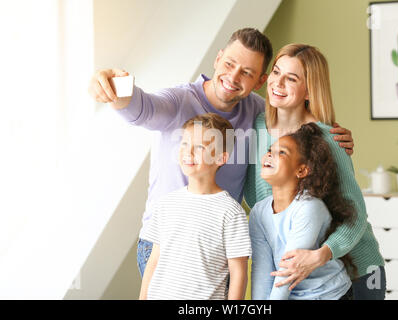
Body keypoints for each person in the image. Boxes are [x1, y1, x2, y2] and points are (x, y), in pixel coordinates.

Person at [88, 28, 355, 278]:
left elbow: (295, 121)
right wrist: (113, 90)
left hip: (219, 249)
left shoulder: (258, 113)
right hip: (166, 244)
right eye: (229, 64)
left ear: (261, 81)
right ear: (217, 59)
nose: (234, 77)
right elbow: (142, 108)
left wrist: (330, 134)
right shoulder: (179, 101)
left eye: (247, 73)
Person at [243, 44, 386, 300]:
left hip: (356, 268)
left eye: (291, 78)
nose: (277, 83)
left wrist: (321, 254)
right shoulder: (257, 127)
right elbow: (261, 202)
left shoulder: (328, 138)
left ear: (309, 90)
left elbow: (355, 213)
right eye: (276, 72)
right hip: (301, 275)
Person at [139, 113, 251, 300]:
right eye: (184, 143)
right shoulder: (166, 204)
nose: (188, 152)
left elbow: (238, 273)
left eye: (200, 147)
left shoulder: (231, 212)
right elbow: (153, 261)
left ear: (221, 158)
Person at [250, 123, 355, 300]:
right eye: (270, 150)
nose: (269, 155)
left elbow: (288, 271)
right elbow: (262, 272)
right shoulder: (259, 212)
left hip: (329, 295)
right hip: (292, 294)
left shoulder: (309, 207)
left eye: (281, 152)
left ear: (301, 170)